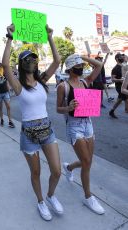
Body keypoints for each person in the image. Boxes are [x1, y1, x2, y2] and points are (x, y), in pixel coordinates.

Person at [2, 24, 63, 221]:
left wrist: (50, 36)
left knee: (56, 170)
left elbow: (57, 60)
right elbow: (4, 63)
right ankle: (40, 201)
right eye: (27, 59)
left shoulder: (43, 81)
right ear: (21, 64)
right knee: (36, 172)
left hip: (47, 130)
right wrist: (10, 38)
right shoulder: (18, 86)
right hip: (28, 134)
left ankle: (51, 196)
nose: (32, 61)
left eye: (34, 58)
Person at [57, 53, 105, 215]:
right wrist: (68, 107)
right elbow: (58, 109)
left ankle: (69, 167)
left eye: (81, 65)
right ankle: (88, 197)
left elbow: (99, 65)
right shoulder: (63, 86)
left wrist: (83, 58)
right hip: (74, 126)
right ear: (70, 69)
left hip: (88, 124)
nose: (81, 68)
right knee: (86, 162)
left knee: (88, 161)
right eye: (77, 66)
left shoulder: (85, 82)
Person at [0, 63, 15, 128]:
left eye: (1, 67)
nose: (1, 68)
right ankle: (2, 119)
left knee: (8, 107)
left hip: (5, 93)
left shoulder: (5, 74)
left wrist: (10, 90)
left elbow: (7, 83)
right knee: (0, 108)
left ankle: (10, 121)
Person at [109, 53, 128, 118]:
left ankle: (112, 111)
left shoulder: (124, 66)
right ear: (117, 59)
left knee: (120, 99)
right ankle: (126, 110)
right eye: (120, 57)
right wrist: (120, 80)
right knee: (126, 99)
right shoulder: (115, 68)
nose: (122, 58)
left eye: (122, 57)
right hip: (119, 86)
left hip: (125, 85)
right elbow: (112, 79)